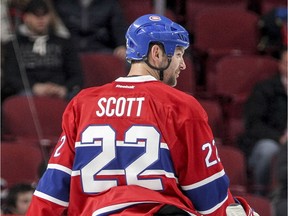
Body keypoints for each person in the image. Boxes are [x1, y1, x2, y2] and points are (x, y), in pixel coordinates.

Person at [27, 14, 258, 215]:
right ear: (156, 53)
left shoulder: (83, 103)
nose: (183, 65)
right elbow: (209, 195)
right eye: (178, 54)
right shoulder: (180, 105)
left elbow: (53, 189)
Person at [1, 0, 84, 102]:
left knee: (79, 98)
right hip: (29, 93)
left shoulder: (64, 43)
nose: (41, 19)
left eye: (44, 15)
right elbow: (10, 78)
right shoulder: (14, 45)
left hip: (60, 91)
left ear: (50, 16)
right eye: (36, 15)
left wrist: (64, 88)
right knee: (21, 98)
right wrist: (35, 87)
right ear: (26, 17)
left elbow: (77, 75)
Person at [238, 48, 287, 196]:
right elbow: (253, 124)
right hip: (271, 140)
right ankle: (263, 195)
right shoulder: (265, 89)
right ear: (281, 65)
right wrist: (280, 138)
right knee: (268, 150)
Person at [52, 0, 128, 60]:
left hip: (101, 47)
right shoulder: (62, 2)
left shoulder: (109, 3)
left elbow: (118, 26)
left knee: (125, 59)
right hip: (71, 47)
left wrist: (122, 45)